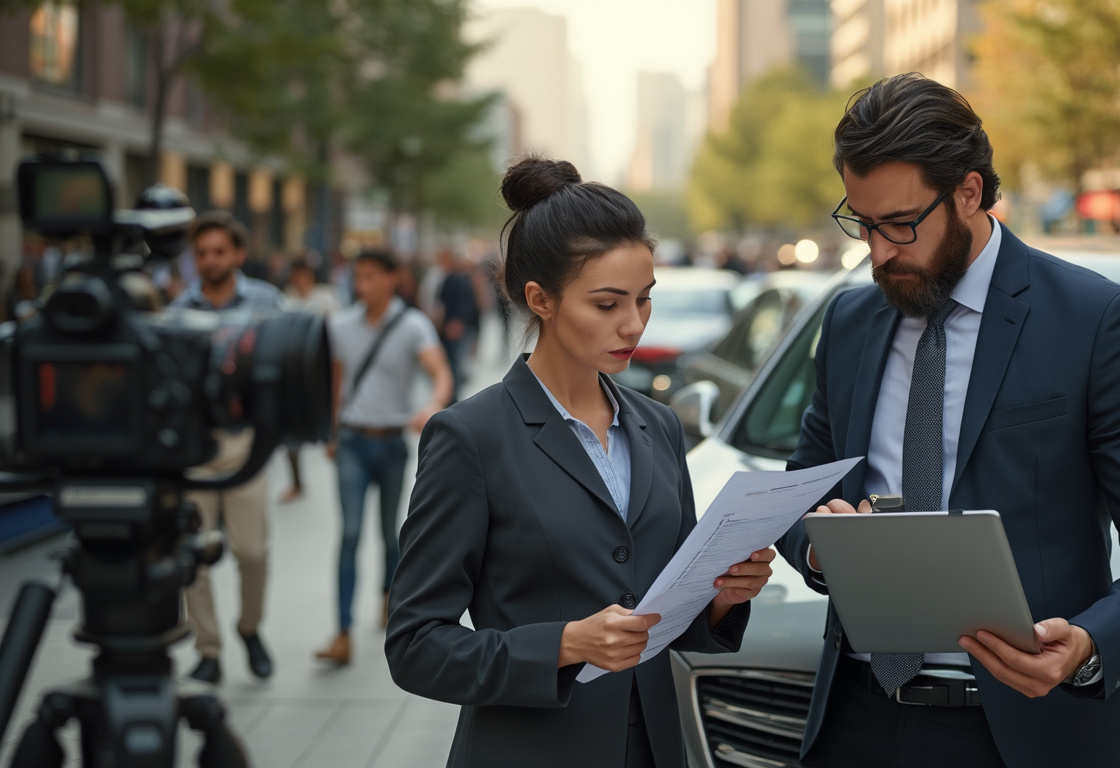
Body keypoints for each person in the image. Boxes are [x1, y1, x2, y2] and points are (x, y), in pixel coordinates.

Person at [775, 74, 1120, 768]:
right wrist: (816, 544)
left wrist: (1090, 642)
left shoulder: (1096, 322)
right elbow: (803, 483)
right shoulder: (850, 320)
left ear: (970, 192)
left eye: (899, 224)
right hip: (857, 721)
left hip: (1029, 733)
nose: (879, 251)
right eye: (861, 223)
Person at [384, 157, 775, 768]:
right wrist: (562, 646)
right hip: (528, 750)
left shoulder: (660, 426)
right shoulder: (470, 437)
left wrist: (724, 598)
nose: (633, 324)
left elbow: (666, 619)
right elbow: (415, 646)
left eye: (644, 300)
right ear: (539, 299)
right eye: (607, 303)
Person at [314, 248, 453, 665]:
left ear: (394, 278)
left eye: (372, 276)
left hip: (392, 443)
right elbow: (335, 383)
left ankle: (388, 597)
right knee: (351, 532)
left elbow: (440, 372)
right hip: (353, 442)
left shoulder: (412, 325)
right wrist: (331, 431)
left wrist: (433, 404)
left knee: (390, 532)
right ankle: (342, 632)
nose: (363, 285)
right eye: (359, 277)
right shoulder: (340, 324)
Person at [171, 210, 286, 684]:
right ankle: (209, 649)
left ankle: (249, 628)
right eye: (201, 253)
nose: (209, 261)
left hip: (246, 444)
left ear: (238, 255)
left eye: (218, 252)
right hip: (193, 447)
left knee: (252, 551)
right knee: (191, 554)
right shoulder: (176, 312)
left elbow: (284, 365)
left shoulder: (267, 302)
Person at [278, 257, 343, 504]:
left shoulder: (325, 297)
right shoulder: (287, 298)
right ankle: (296, 481)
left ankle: (331, 442)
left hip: (322, 368)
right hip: (295, 370)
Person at [433, 247, 481, 404]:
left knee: (453, 363)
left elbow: (466, 303)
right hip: (447, 328)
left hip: (453, 329)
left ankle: (452, 397)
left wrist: (457, 322)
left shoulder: (457, 279)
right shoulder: (449, 277)